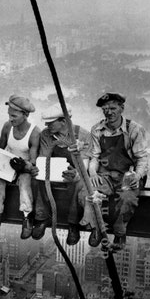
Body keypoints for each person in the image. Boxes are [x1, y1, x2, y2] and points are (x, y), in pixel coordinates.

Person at [82, 92, 149, 251]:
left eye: (113, 108)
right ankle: (96, 228)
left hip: (128, 175)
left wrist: (137, 176)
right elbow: (95, 156)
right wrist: (93, 173)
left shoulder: (134, 129)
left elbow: (142, 158)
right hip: (106, 174)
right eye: (105, 109)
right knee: (91, 192)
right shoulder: (97, 129)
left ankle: (120, 234)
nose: (109, 112)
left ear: (122, 108)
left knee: (126, 198)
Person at [32, 103, 92, 244]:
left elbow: (85, 164)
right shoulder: (46, 134)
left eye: (51, 123)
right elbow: (44, 157)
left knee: (78, 184)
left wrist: (76, 173)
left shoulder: (83, 134)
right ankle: (41, 218)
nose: (47, 125)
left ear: (64, 121)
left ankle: (73, 224)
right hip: (53, 170)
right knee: (37, 179)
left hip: (74, 173)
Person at [0, 94, 40, 239]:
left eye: (14, 116)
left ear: (25, 115)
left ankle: (27, 216)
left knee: (24, 183)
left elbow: (34, 160)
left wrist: (24, 165)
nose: (11, 119)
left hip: (23, 167)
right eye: (9, 115)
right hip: (8, 163)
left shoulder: (34, 133)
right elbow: (0, 148)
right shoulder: (7, 126)